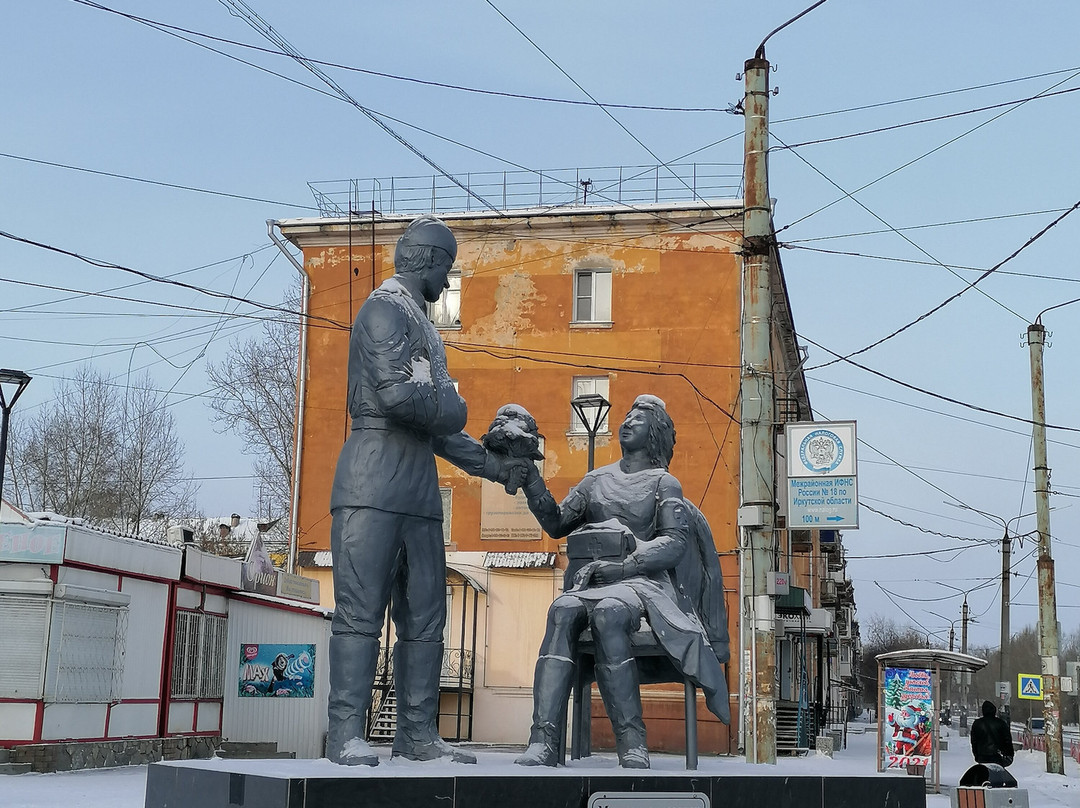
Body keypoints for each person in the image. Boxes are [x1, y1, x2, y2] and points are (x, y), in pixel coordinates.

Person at [326, 216, 526, 766]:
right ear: (431, 261)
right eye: (449, 263)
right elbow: (403, 401)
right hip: (371, 483)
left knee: (426, 618)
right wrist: (454, 402)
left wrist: (493, 466)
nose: (450, 274)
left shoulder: (423, 325)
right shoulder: (385, 310)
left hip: (417, 493)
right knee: (360, 613)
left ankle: (416, 734)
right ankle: (344, 734)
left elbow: (436, 428)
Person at [515, 395, 729, 769]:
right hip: (591, 582)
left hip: (643, 584)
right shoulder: (595, 480)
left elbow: (674, 542)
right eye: (627, 416)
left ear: (656, 432)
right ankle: (543, 741)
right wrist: (531, 477)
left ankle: (632, 742)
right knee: (562, 610)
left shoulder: (664, 483)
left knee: (610, 615)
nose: (627, 422)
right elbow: (556, 522)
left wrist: (626, 566)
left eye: (639, 418)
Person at [970, 700, 1014, 767]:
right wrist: (1009, 755)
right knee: (997, 774)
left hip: (982, 757)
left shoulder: (977, 724)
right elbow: (1007, 740)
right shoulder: (1001, 723)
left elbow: (974, 741)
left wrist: (977, 755)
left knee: (985, 774)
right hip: (998, 756)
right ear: (994, 710)